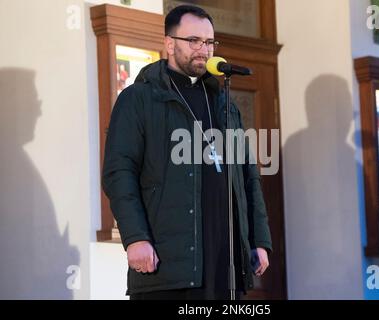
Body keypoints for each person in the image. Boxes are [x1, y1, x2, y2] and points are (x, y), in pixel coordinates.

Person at [102, 4, 272, 300]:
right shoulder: (139, 98)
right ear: (169, 43)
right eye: (193, 41)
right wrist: (135, 238)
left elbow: (248, 177)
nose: (203, 50)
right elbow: (119, 173)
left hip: (224, 263)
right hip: (169, 265)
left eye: (209, 42)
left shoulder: (223, 102)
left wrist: (258, 240)